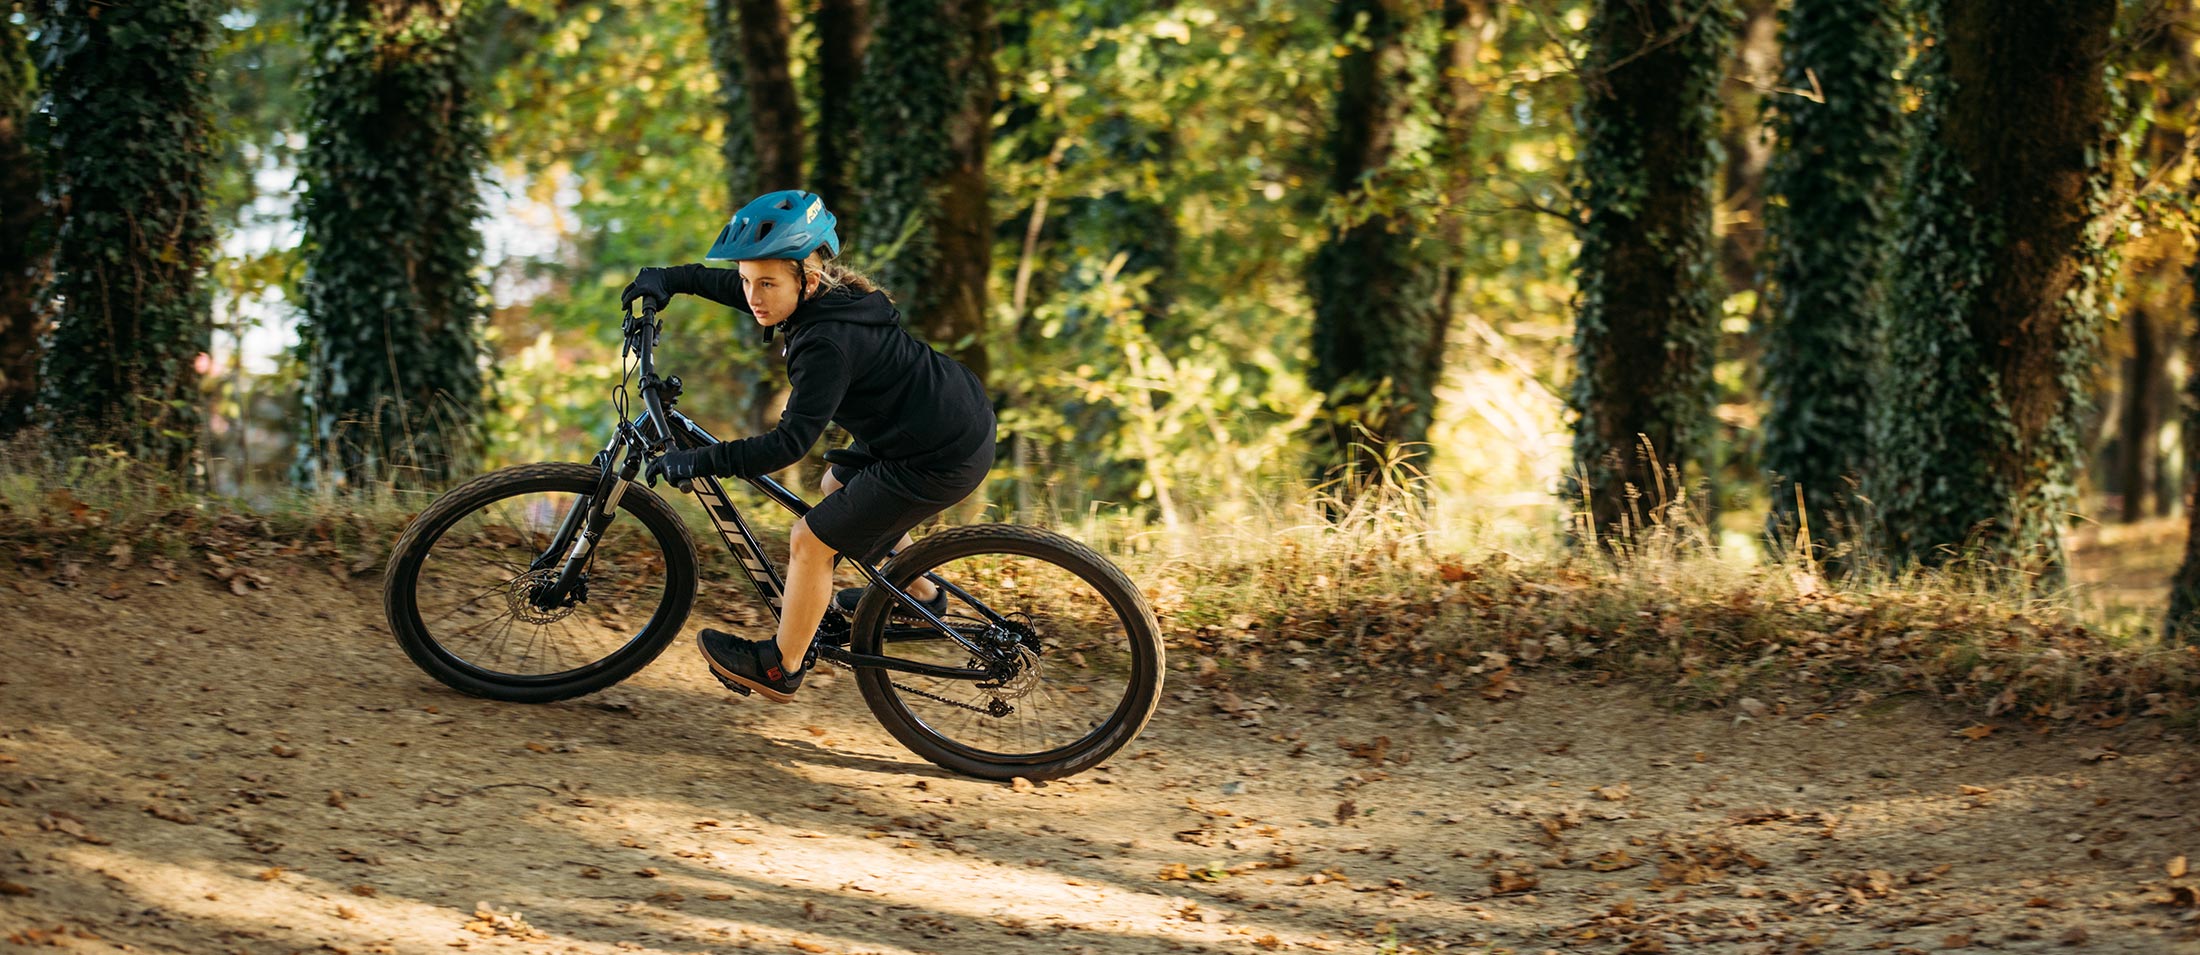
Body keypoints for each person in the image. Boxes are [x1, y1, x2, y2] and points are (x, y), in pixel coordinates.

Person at [621, 190, 995, 702]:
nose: (754, 295)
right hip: (943, 419)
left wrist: (701, 460)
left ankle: (781, 666)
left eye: (767, 283)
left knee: (811, 541)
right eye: (750, 280)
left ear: (806, 279)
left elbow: (787, 445)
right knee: (836, 482)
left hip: (938, 453)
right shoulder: (818, 295)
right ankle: (919, 596)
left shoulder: (825, 345)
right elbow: (738, 287)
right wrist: (667, 278)